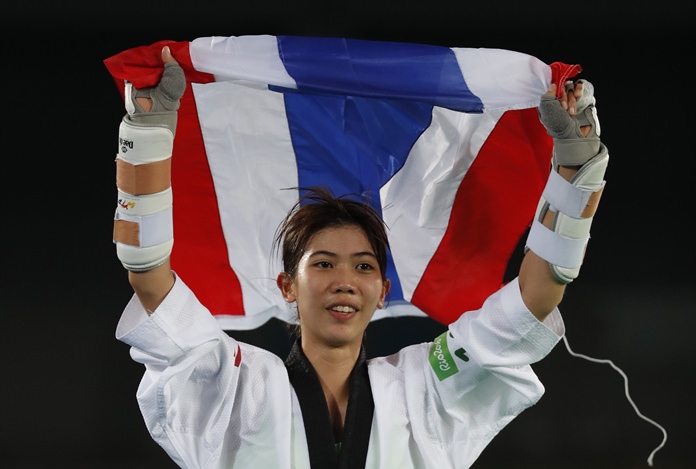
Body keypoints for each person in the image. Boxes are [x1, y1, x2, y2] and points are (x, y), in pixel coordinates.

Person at [113, 46, 608, 468]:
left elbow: (537, 295)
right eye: (323, 263)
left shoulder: (425, 389)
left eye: (364, 266)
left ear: (382, 290)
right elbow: (150, 277)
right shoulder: (235, 384)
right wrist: (149, 132)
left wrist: (574, 166)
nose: (345, 280)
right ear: (287, 286)